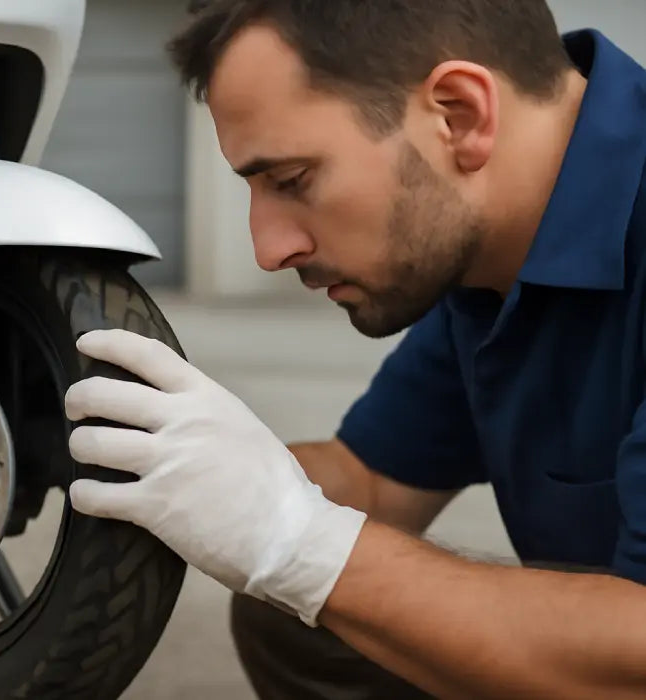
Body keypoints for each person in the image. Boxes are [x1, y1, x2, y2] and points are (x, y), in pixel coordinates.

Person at [61, 0, 646, 698]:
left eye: (292, 181)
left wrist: (296, 541)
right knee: (304, 615)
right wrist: (145, 459)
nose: (270, 248)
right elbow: (368, 483)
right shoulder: (487, 249)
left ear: (458, 114)